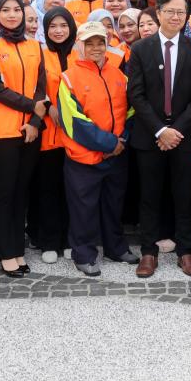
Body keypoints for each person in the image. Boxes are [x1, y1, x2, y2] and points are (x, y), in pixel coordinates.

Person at [126, 0, 191, 277]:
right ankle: (148, 252)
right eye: (170, 11)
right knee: (149, 196)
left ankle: (186, 251)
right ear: (158, 13)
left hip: (183, 137)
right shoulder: (140, 49)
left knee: (184, 195)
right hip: (149, 136)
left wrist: (175, 131)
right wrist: (161, 130)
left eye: (181, 12)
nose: (176, 16)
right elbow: (136, 94)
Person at [0, 0, 48, 277]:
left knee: (22, 191)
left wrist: (35, 121)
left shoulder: (35, 46)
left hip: (30, 129)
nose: (12, 14)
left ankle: (18, 248)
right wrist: (34, 107)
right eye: (5, 10)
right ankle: (5, 251)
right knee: (5, 192)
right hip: (2, 131)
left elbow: (41, 87)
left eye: (16, 9)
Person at [58, 21, 137, 276]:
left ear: (107, 44)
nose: (95, 48)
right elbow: (74, 122)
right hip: (84, 158)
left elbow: (131, 111)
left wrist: (121, 141)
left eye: (100, 42)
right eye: (89, 43)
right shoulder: (69, 78)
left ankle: (115, 247)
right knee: (84, 208)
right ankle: (84, 254)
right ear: (79, 46)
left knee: (113, 205)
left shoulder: (120, 76)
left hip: (116, 155)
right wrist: (110, 144)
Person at [33, 6, 78, 263]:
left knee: (72, 189)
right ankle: (49, 241)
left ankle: (70, 239)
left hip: (75, 134)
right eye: (52, 26)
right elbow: (34, 86)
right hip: (49, 133)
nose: (58, 31)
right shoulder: (39, 53)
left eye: (63, 25)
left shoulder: (80, 52)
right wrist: (49, 106)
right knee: (48, 188)